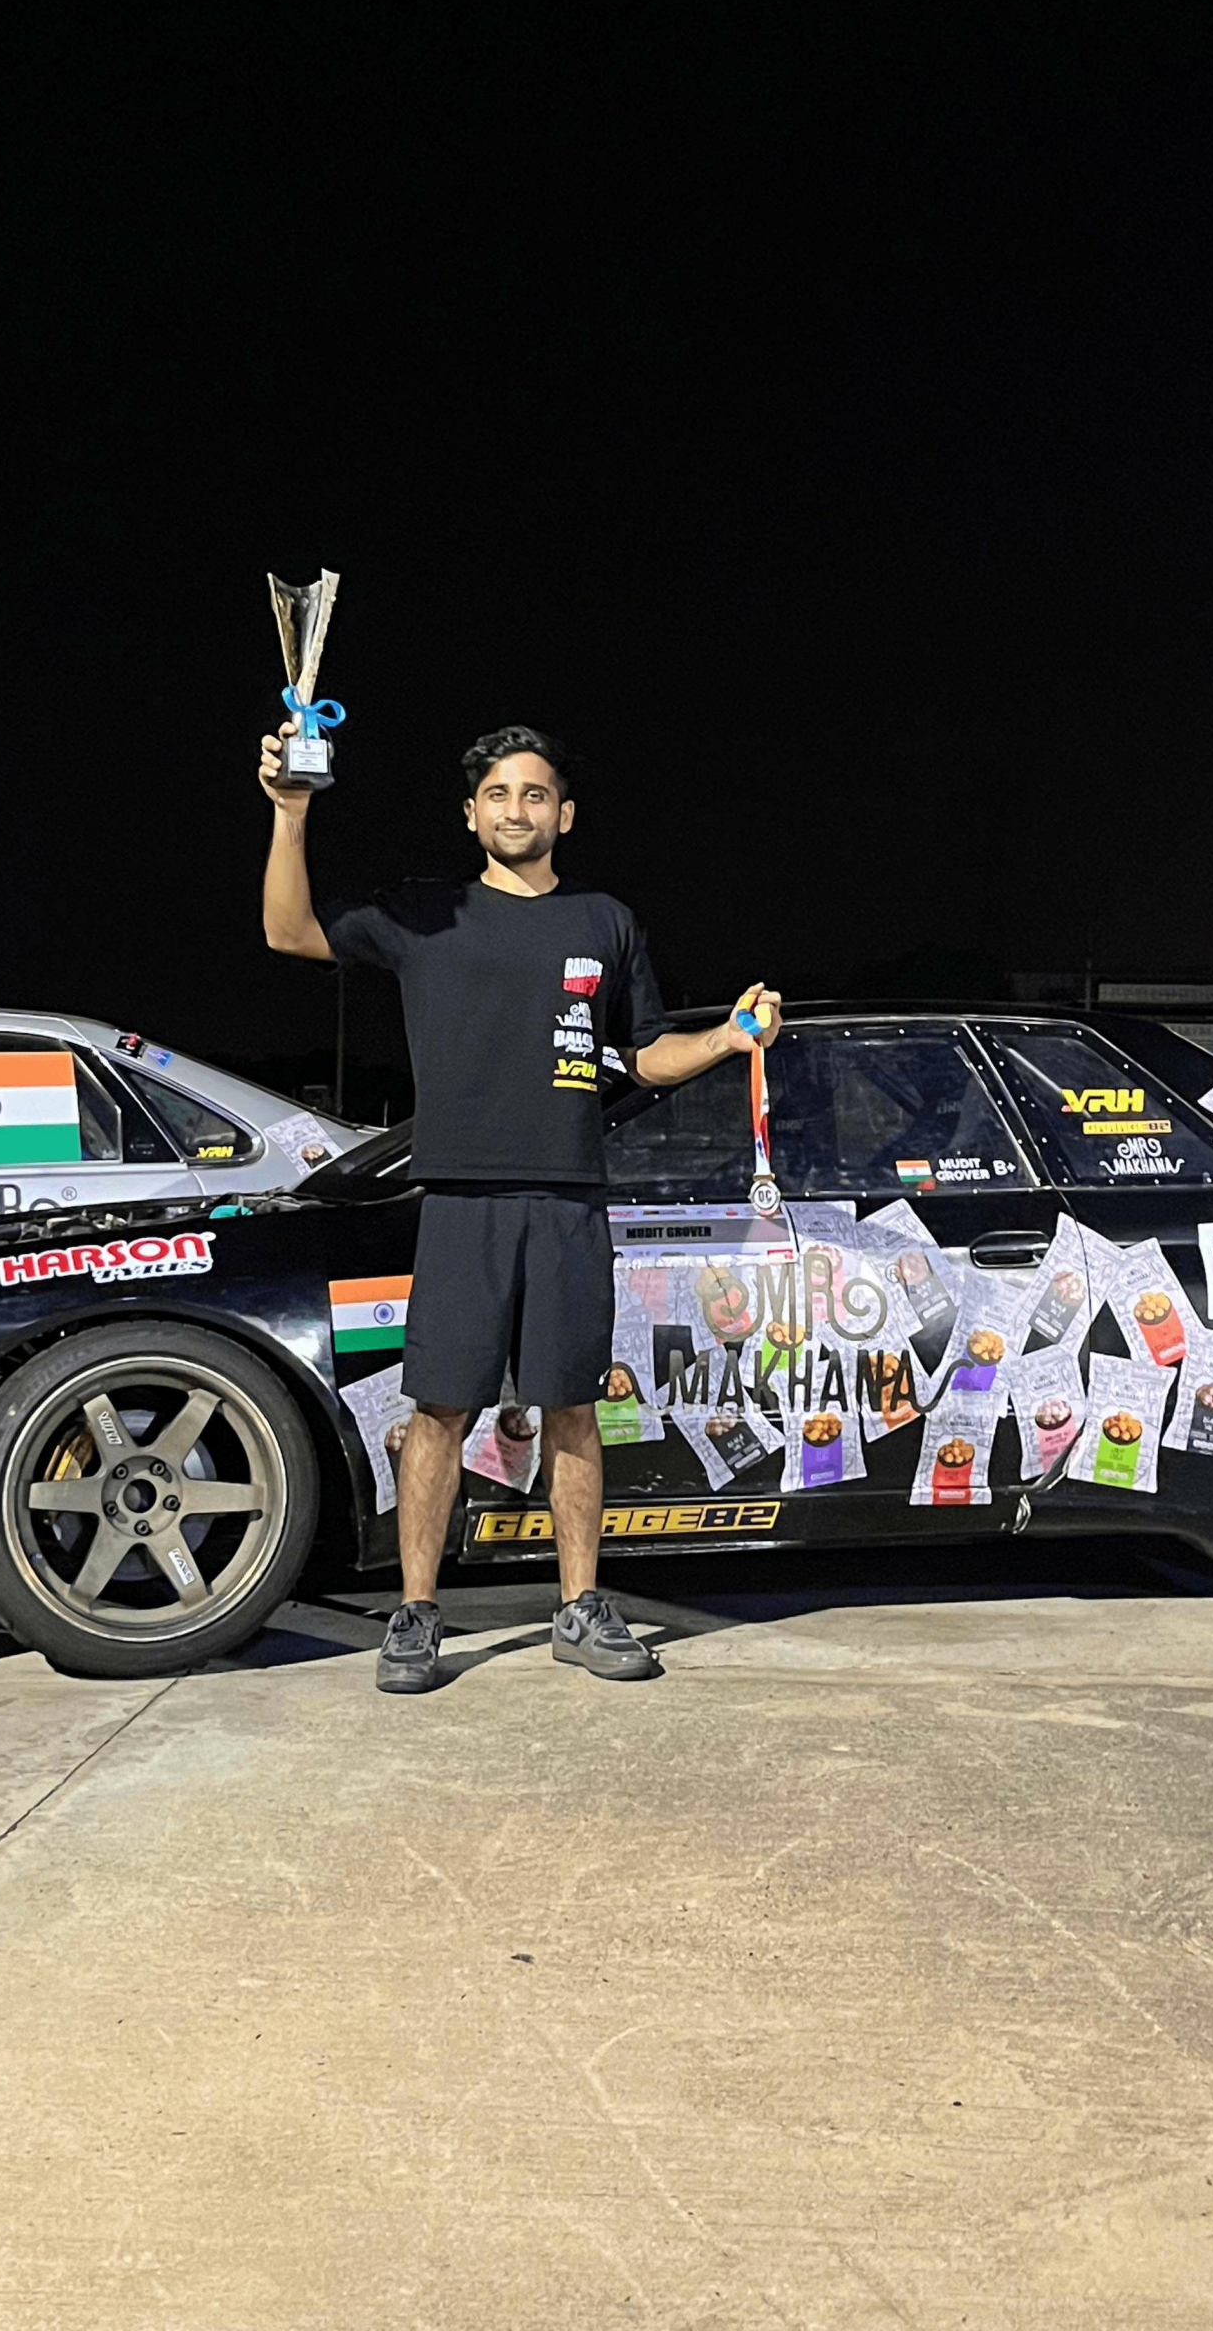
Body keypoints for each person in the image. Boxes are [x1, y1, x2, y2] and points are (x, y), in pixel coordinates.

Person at [259, 718, 779, 1693]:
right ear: (471, 814)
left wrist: (727, 1037)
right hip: (461, 1200)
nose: (516, 809)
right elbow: (288, 931)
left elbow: (645, 1054)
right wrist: (291, 814)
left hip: (570, 1199)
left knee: (573, 1411)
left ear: (564, 815)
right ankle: (417, 1614)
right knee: (439, 1412)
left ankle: (578, 1608)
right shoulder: (428, 912)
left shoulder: (605, 921)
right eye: (498, 794)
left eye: (535, 794)